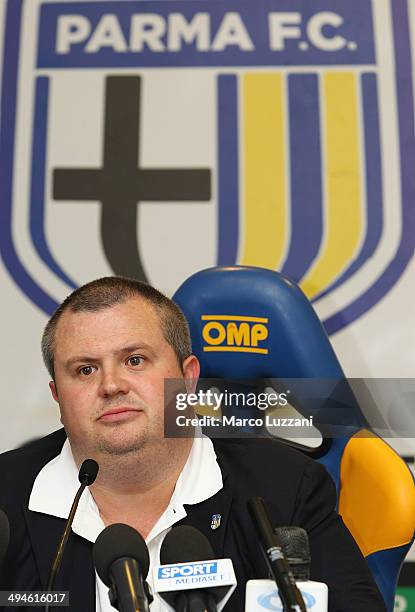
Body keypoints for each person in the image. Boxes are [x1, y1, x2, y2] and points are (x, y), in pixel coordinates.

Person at [0, 277, 385, 611]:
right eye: (85, 370)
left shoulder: (284, 488)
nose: (111, 385)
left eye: (135, 360)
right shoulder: (5, 495)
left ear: (187, 378)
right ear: (58, 395)